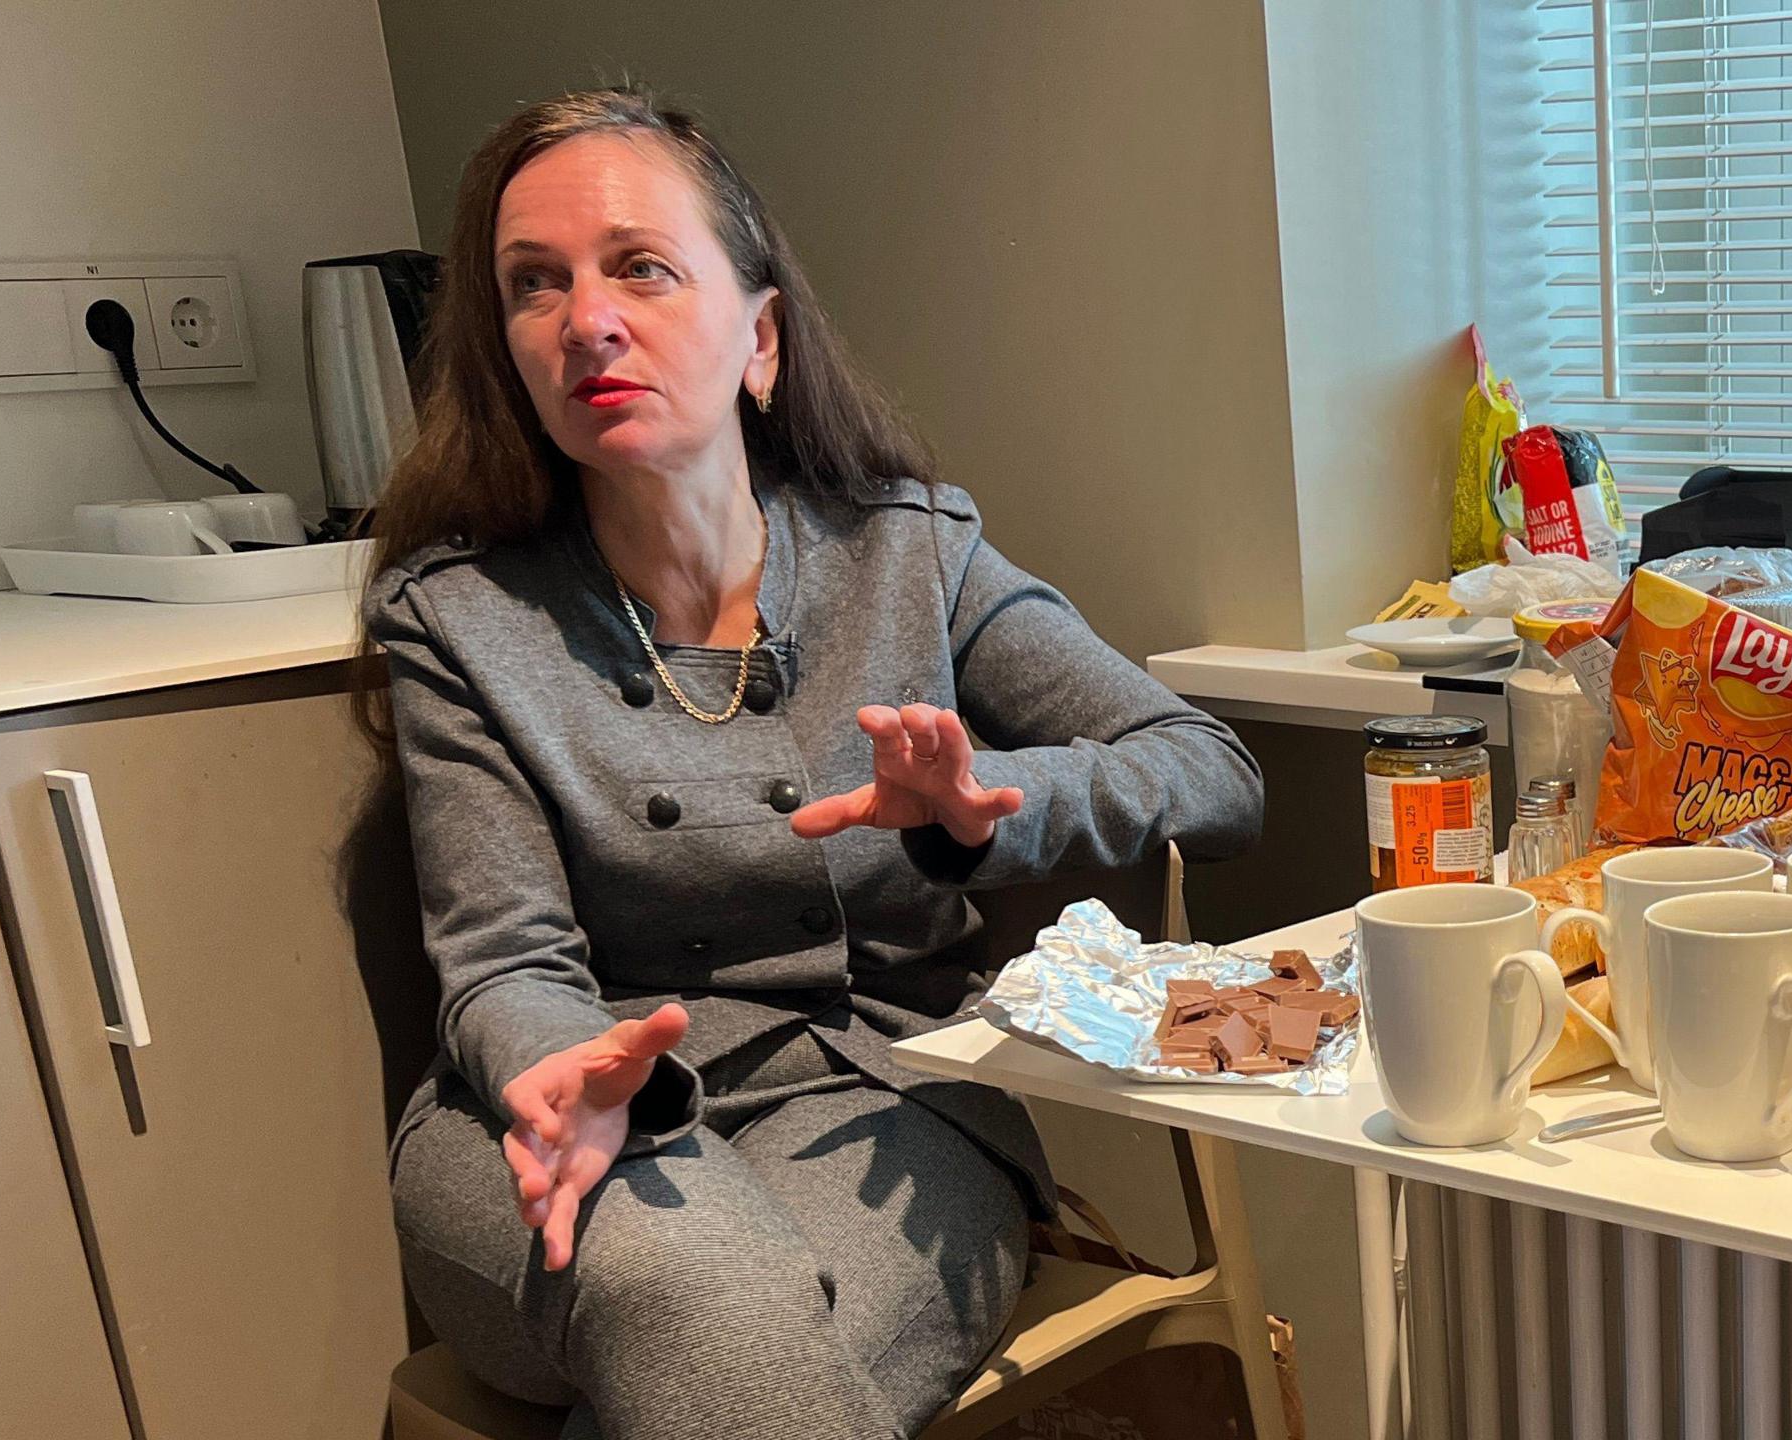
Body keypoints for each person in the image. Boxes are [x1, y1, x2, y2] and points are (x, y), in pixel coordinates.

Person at [361, 87, 1264, 1440]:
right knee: (690, 1281)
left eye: (641, 269)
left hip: (883, 1102)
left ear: (761, 337)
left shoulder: (911, 552)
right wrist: (571, 1068)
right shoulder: (458, 622)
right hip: (549, 1132)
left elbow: (1207, 769)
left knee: (726, 1352)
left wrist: (984, 818)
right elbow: (504, 963)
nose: (585, 321)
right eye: (532, 286)